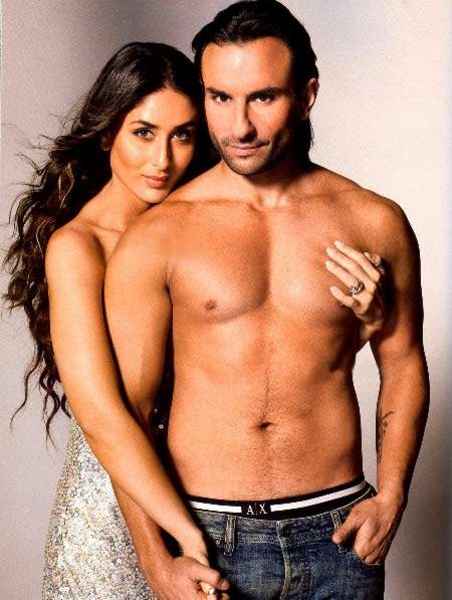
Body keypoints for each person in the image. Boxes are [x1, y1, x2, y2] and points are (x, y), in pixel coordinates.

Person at [104, 2, 429, 599]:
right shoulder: (159, 236)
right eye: (220, 98)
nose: (239, 127)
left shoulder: (373, 222)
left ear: (306, 96)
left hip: (340, 536)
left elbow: (404, 360)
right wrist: (156, 560)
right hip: (207, 538)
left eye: (263, 97)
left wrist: (392, 494)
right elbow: (129, 415)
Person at [3, 41, 229, 599]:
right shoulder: (78, 248)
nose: (162, 160)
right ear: (107, 134)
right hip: (108, 515)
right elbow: (103, 417)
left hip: (211, 499)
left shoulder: (199, 232)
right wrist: (177, 540)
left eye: (182, 135)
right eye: (143, 132)